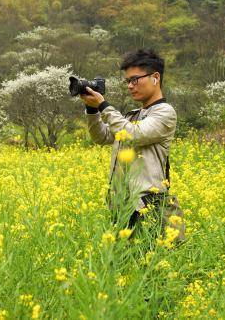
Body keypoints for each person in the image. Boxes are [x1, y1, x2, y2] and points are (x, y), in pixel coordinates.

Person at [79, 48, 185, 243]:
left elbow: (133, 134)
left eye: (135, 80)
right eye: (127, 81)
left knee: (153, 267)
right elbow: (101, 136)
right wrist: (92, 109)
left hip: (149, 205)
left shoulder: (165, 113)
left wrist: (103, 105)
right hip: (124, 207)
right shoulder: (132, 115)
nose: (130, 86)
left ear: (155, 77)